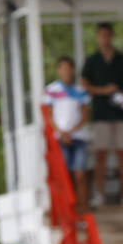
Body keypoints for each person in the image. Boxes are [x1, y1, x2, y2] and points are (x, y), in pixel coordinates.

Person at [80, 23, 123, 208]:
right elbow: (85, 84)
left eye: (107, 35)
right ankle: (99, 194)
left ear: (111, 36)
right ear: (98, 37)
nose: (105, 38)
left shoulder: (122, 59)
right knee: (101, 155)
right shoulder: (92, 61)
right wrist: (104, 90)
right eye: (101, 35)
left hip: (120, 113)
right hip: (101, 114)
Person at [43, 56, 91, 208]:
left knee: (80, 174)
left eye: (68, 68)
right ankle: (67, 208)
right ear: (58, 70)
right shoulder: (51, 90)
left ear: (73, 70)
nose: (66, 71)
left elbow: (85, 116)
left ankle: (83, 209)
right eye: (62, 68)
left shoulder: (81, 91)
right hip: (60, 139)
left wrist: (71, 131)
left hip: (78, 137)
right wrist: (61, 132)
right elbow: (49, 115)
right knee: (63, 175)